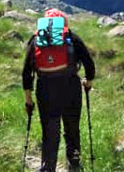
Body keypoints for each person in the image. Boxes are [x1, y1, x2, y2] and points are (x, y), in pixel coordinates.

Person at [23, 9, 96, 172]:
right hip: (71, 88)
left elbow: (26, 73)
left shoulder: (36, 40)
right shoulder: (72, 37)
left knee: (49, 131)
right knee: (72, 128)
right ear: (64, 23)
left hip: (45, 91)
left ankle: (48, 167)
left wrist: (28, 100)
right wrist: (88, 83)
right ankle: (74, 164)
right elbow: (89, 64)